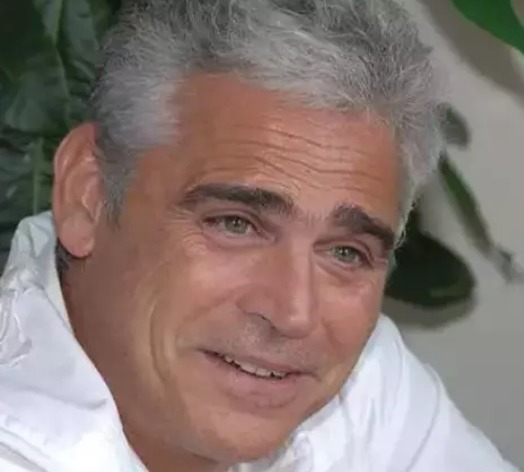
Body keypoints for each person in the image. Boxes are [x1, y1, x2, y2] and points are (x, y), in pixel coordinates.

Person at [0, 0, 519, 471]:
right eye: (236, 225)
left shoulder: (368, 385)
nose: (294, 313)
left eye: (345, 252)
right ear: (88, 195)